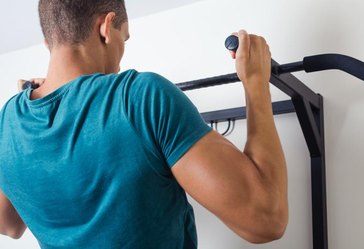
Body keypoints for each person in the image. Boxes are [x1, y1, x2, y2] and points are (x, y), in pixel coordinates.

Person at [0, 0, 288, 248]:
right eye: (123, 39)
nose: (120, 62)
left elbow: (8, 224)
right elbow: (266, 220)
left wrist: (54, 98)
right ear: (106, 27)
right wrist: (255, 83)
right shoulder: (140, 97)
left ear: (48, 41)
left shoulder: (9, 120)